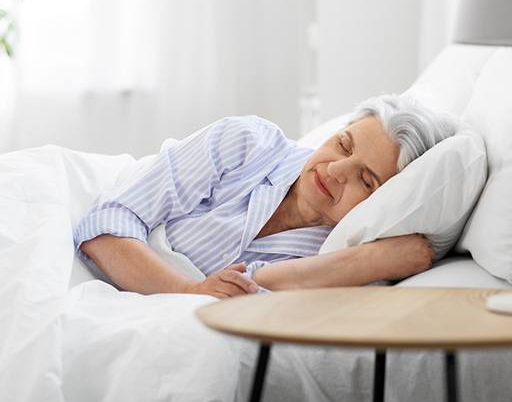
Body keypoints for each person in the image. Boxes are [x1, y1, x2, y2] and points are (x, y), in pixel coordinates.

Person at [73, 93, 458, 299]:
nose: (335, 171)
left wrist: (374, 260)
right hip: (73, 245)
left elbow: (258, 289)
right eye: (343, 144)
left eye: (367, 180)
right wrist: (189, 291)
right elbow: (107, 226)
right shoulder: (246, 142)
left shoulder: (336, 248)